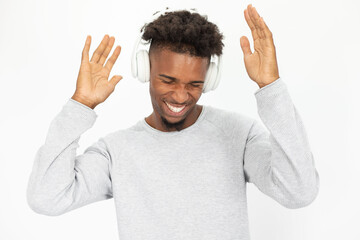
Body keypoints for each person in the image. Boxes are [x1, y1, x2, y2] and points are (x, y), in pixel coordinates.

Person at [27, 4, 320, 240]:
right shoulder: (117, 150)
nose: (181, 95)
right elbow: (46, 198)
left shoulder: (239, 134)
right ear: (145, 70)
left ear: (210, 79)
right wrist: (81, 105)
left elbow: (298, 192)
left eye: (195, 83)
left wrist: (271, 87)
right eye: (167, 80)